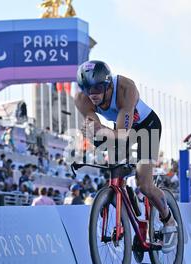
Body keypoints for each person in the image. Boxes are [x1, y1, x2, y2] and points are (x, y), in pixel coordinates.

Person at [75, 60, 177, 252]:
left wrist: (100, 131)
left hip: (147, 128)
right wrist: (92, 133)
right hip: (120, 130)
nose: (93, 94)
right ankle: (128, 202)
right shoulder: (82, 99)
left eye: (98, 87)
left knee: (144, 184)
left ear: (108, 84)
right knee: (114, 169)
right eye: (88, 89)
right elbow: (97, 132)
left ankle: (168, 220)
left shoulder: (125, 88)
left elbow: (121, 134)